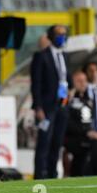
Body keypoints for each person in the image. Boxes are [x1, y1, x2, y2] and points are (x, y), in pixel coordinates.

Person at [30, 25, 71, 179]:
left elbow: (67, 79)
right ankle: (40, 176)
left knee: (57, 142)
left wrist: (70, 91)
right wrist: (38, 107)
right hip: (46, 107)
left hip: (63, 105)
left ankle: (53, 176)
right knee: (44, 142)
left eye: (64, 34)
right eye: (59, 34)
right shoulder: (41, 56)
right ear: (51, 36)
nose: (62, 37)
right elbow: (36, 83)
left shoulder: (65, 56)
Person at [64, 71, 97, 176]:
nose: (83, 83)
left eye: (84, 81)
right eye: (79, 81)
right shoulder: (67, 98)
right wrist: (86, 132)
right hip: (73, 137)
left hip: (88, 135)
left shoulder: (89, 99)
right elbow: (65, 121)